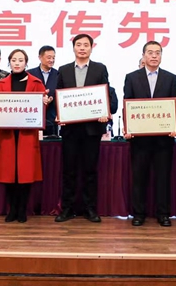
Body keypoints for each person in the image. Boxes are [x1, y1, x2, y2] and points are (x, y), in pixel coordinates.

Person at [55, 34, 111, 223]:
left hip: (92, 129)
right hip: (70, 129)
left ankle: (90, 209)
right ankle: (67, 208)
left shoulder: (99, 68)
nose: (82, 48)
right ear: (73, 48)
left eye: (86, 45)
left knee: (90, 171)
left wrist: (104, 112)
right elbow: (59, 95)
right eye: (78, 44)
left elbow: (105, 92)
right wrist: (59, 114)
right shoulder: (63, 70)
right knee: (69, 171)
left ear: (91, 48)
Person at [124, 41, 176, 227]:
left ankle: (163, 214)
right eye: (150, 52)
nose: (154, 56)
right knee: (139, 177)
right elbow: (127, 104)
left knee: (163, 177)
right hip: (140, 139)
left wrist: (174, 125)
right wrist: (128, 128)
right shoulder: (131, 77)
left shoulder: (171, 78)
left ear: (161, 56)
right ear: (143, 55)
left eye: (158, 53)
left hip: (164, 139)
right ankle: (138, 213)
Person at [0, 49, 50, 223]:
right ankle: (12, 209)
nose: (17, 63)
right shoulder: (2, 83)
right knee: (9, 173)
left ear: (26, 63)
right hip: (7, 135)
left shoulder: (36, 83)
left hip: (27, 135)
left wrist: (44, 103)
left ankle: (23, 209)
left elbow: (41, 110)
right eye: (14, 60)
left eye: (21, 60)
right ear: (9, 63)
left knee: (25, 173)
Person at [27, 45, 59, 136]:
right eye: (49, 57)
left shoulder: (58, 74)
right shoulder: (29, 74)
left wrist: (51, 100)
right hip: (32, 117)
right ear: (40, 57)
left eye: (53, 58)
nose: (51, 60)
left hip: (52, 118)